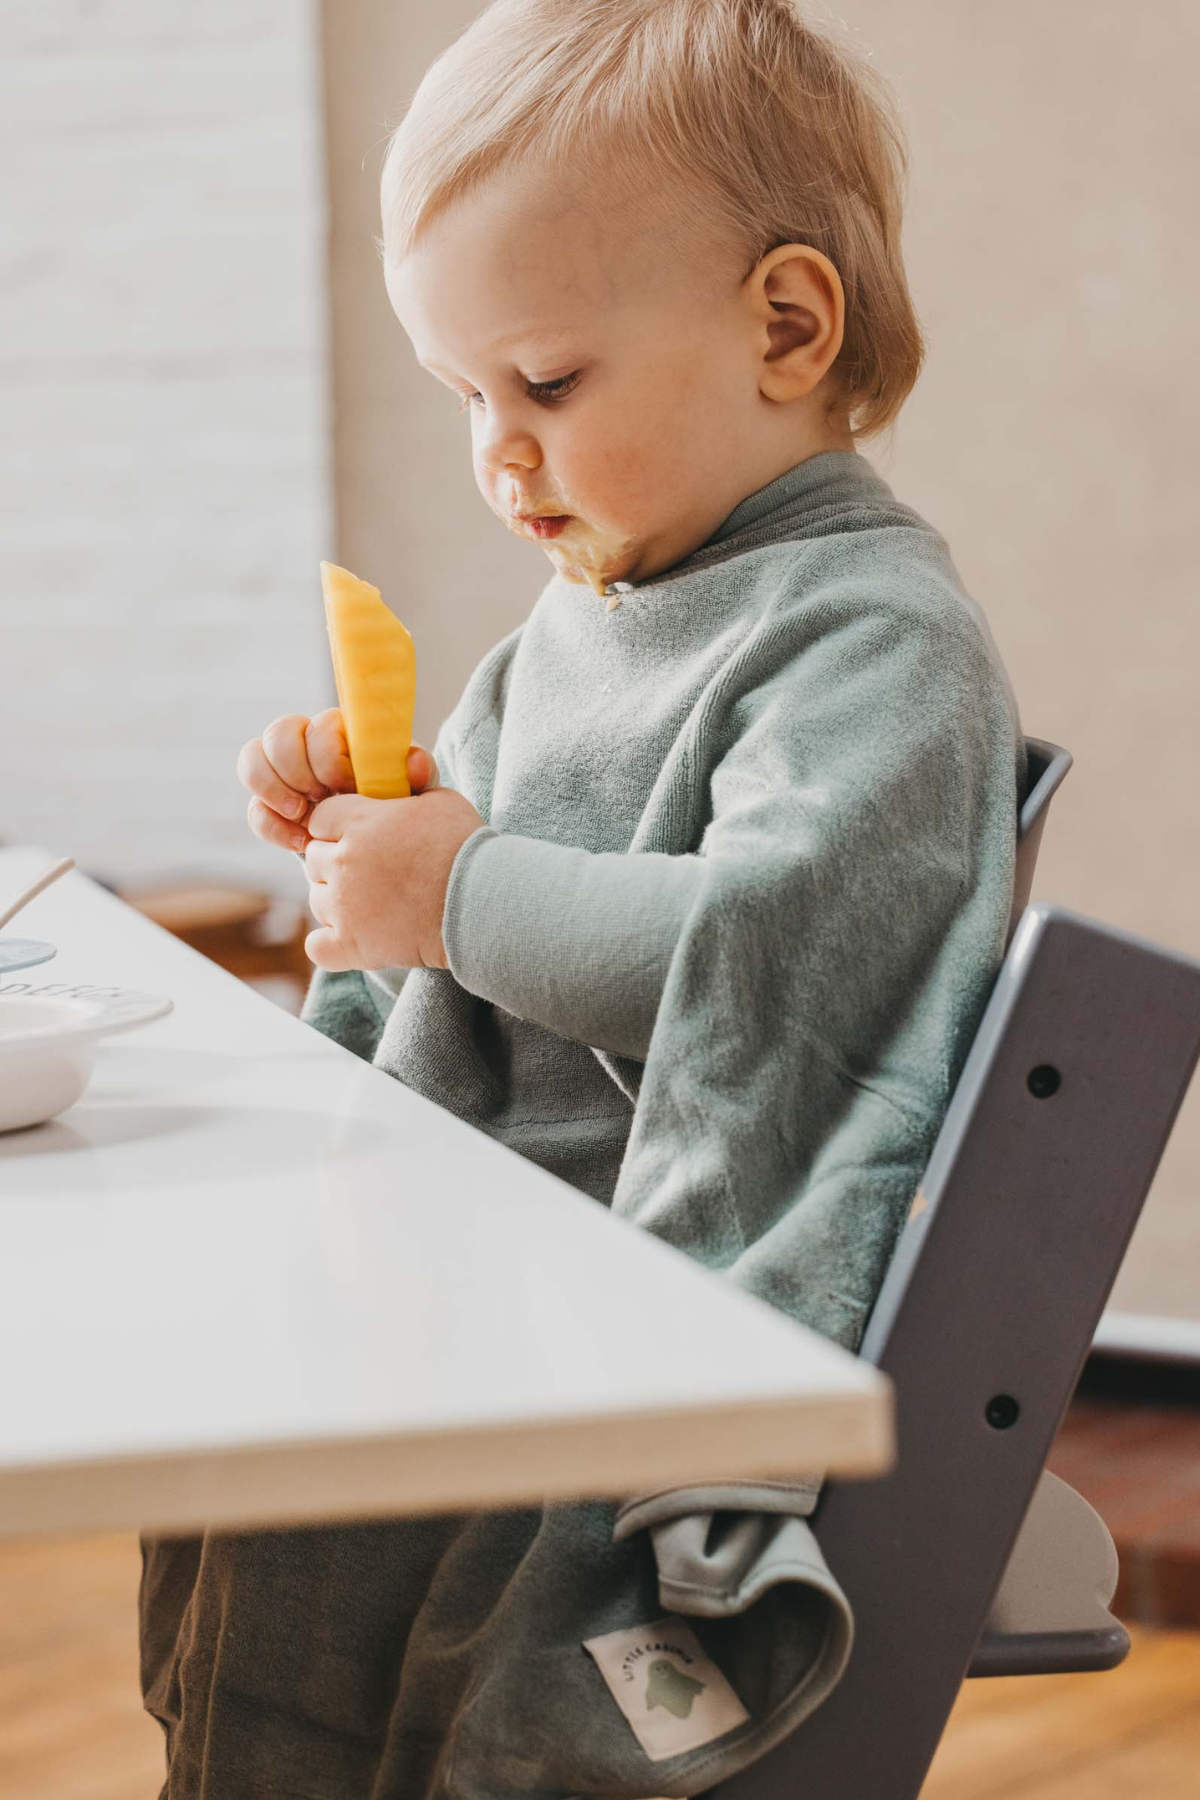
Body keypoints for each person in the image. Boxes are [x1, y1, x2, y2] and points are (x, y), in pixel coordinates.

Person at [140, 2, 1026, 1794]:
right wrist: (374, 844)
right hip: (466, 1262)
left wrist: (458, 890)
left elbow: (764, 969)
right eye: (465, 396)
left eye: (545, 383)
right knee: (249, 1462)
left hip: (625, 1308)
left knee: (361, 1513)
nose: (498, 454)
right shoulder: (586, 620)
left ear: (786, 325)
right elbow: (430, 968)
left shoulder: (872, 644)